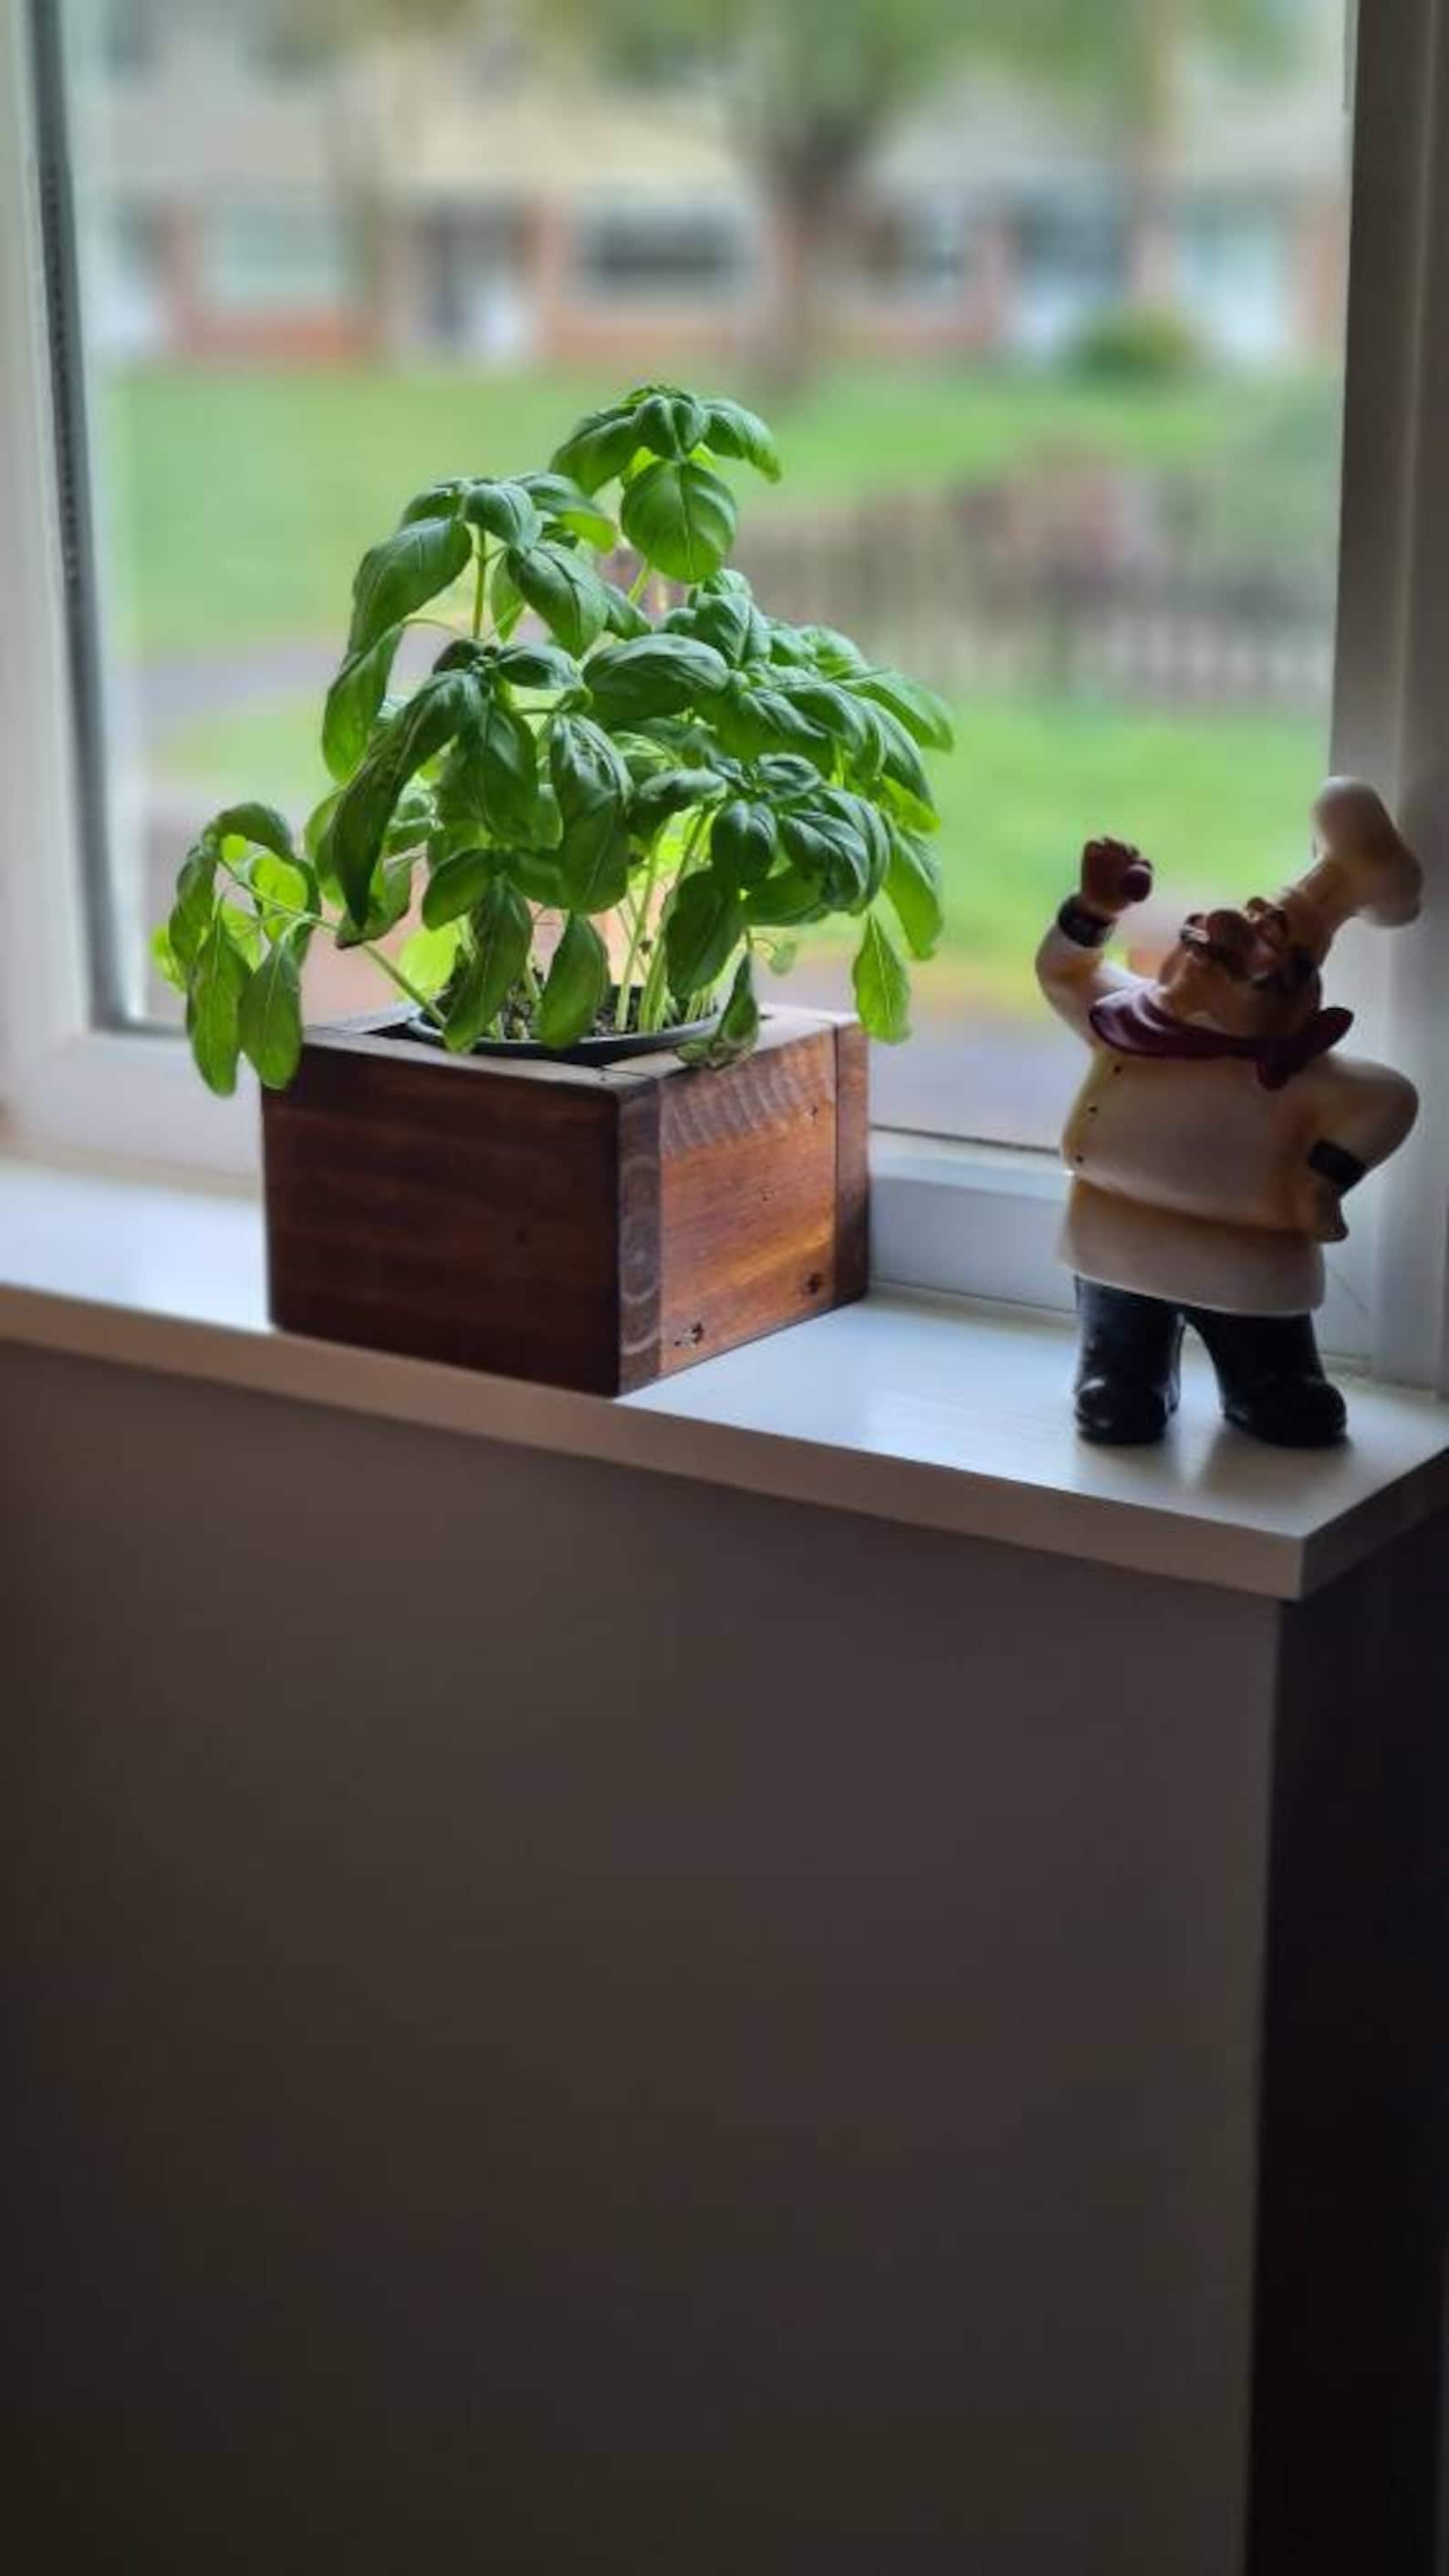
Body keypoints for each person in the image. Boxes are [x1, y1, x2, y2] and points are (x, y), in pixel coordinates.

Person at [1037, 781, 1421, 1446]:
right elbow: (1062, 973)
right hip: (1116, 1244)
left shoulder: (1302, 1077)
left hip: (1248, 1261)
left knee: (1278, 1377)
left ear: (1296, 993)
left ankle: (1267, 1382)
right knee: (1117, 1391)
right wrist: (1092, 909)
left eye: (1246, 958)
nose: (1211, 956)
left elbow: (1392, 1099)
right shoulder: (1125, 1021)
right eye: (1209, 949)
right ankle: (1123, 1370)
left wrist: (1322, 1180)